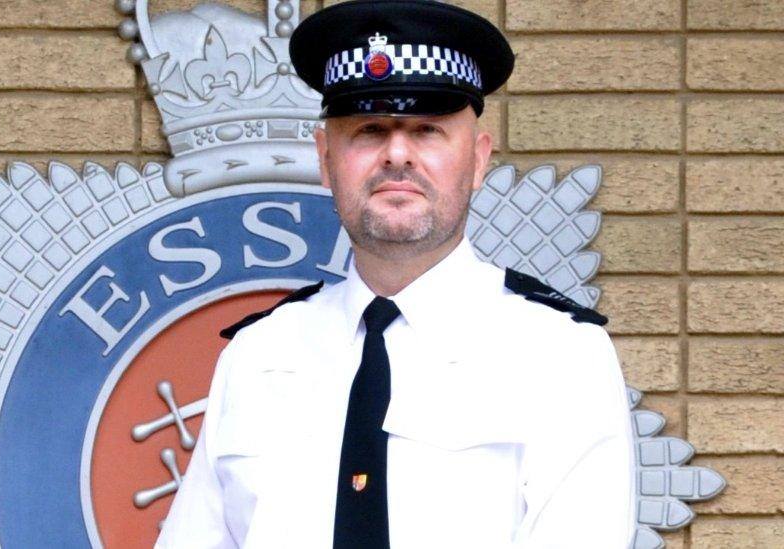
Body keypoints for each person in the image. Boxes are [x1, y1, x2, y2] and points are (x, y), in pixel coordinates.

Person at [156, 1, 635, 547]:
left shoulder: (559, 356)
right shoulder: (257, 355)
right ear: (325, 157)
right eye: (369, 129)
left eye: (428, 129)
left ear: (478, 160)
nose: (397, 154)